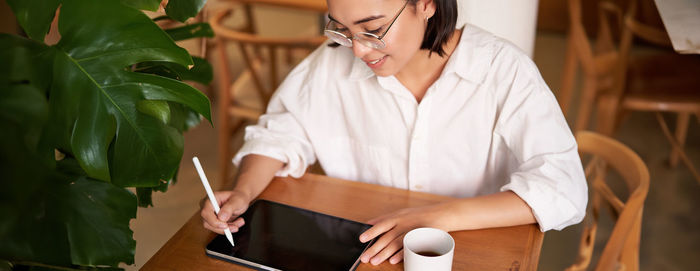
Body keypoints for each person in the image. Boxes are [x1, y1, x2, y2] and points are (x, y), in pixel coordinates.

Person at [201, 0, 587, 266]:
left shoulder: (503, 71)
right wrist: (244, 192)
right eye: (342, 30)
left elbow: (563, 188)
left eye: (372, 29)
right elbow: (280, 132)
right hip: (367, 255)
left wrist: (439, 217)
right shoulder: (332, 63)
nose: (357, 51)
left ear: (426, 4)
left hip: (464, 255)